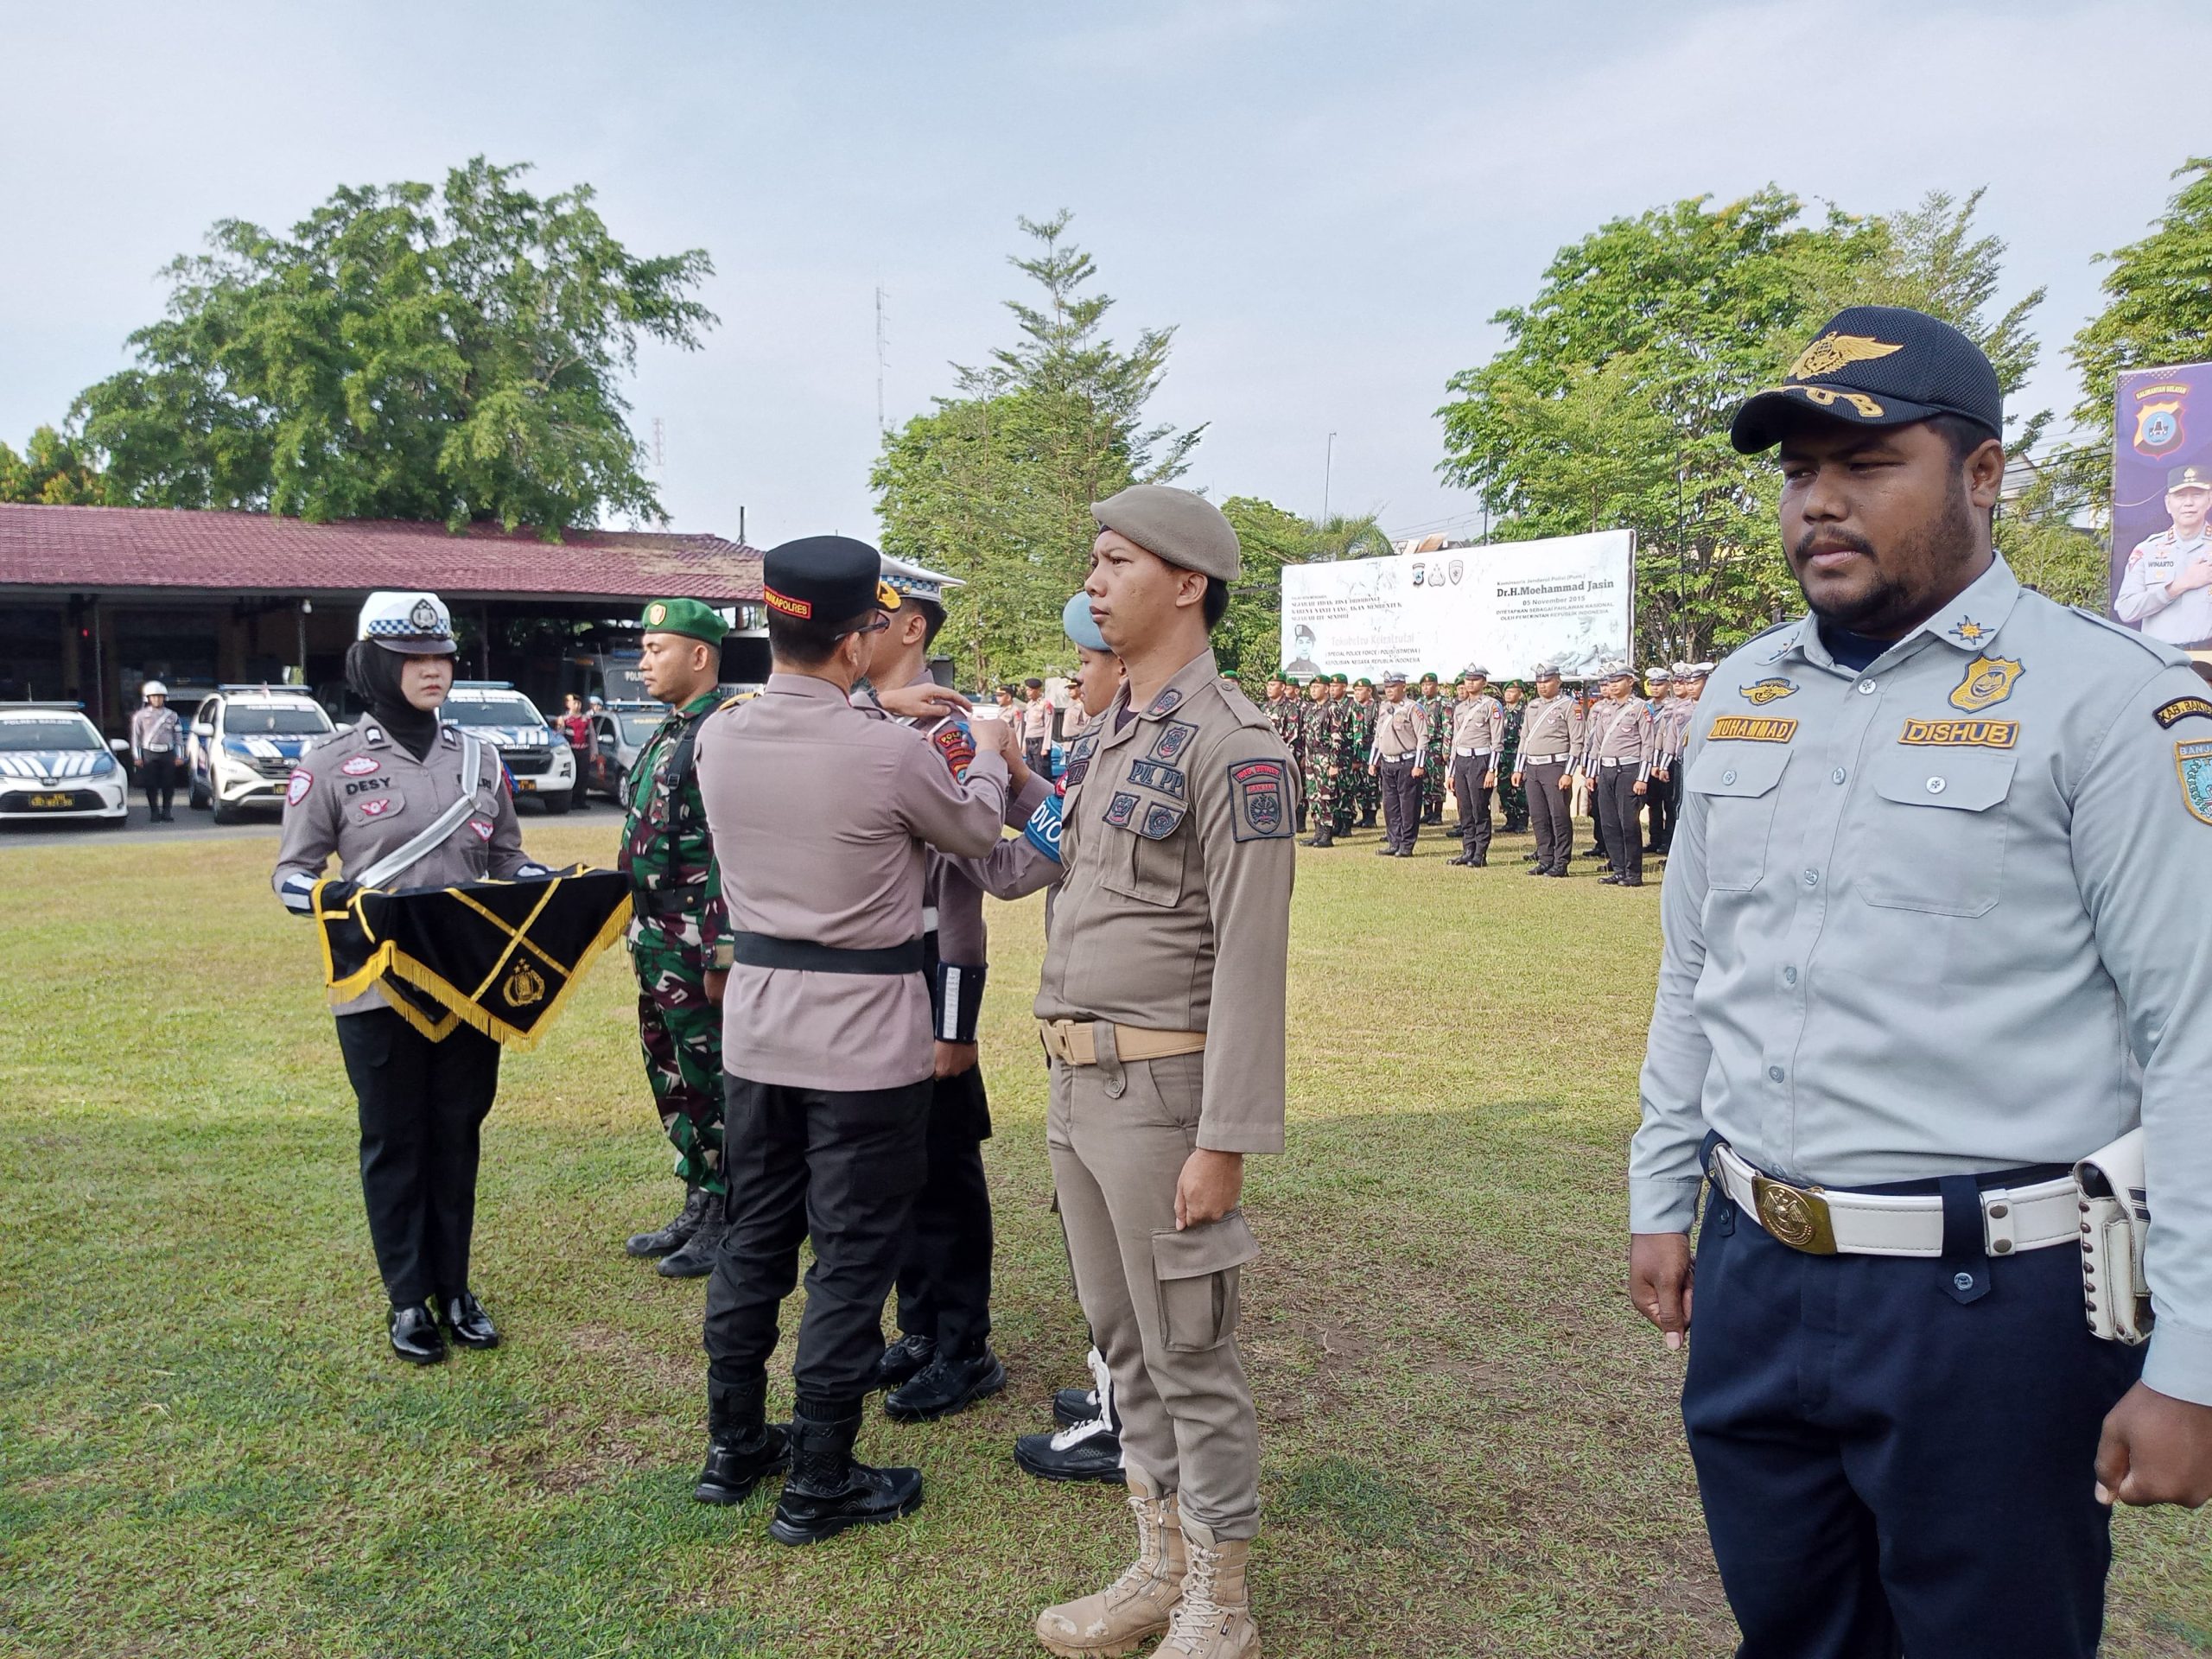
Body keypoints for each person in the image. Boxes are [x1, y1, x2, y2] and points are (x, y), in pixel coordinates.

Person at [1630, 305, 2212, 1659]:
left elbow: (2195, 1034)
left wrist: (2191, 1359)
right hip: (1756, 1271)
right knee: (1792, 1628)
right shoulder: (1743, 694)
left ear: (1986, 472)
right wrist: (1664, 1193)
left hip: (1991, 1309)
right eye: (1796, 472)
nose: (1821, 502)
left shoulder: (2107, 699)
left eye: (1868, 461)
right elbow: (1697, 968)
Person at [689, 537, 1013, 1544]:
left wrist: (875, 713)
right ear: (859, 634)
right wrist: (993, 756)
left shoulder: (721, 737)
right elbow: (972, 837)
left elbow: (814, 748)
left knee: (753, 1242)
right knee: (852, 1258)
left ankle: (734, 1443)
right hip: (865, 1043)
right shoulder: (887, 752)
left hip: (757, 1031)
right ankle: (820, 1475)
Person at [1033, 484, 1294, 1659]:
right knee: (1120, 1341)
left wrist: (1225, 1137)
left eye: (1115, 562)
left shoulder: (1235, 743)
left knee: (1190, 1349)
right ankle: (1158, 1567)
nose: (1094, 582)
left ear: (1187, 584)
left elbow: (1252, 956)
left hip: (1166, 1098)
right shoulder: (1113, 734)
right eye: (1094, 562)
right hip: (1079, 1090)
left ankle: (1219, 1608)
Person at [272, 591, 547, 1363]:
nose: (434, 671)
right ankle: (407, 1300)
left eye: (442, 657)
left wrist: (544, 880)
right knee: (395, 1140)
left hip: (468, 983)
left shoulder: (479, 760)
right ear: (376, 665)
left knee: (457, 1134)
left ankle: (455, 1288)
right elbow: (291, 874)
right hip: (377, 985)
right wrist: (334, 897)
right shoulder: (328, 763)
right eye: (414, 658)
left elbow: (506, 860)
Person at [867, 555, 1052, 1422]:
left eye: (869, 619)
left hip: (930, 970)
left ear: (911, 630)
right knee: (892, 1166)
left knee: (941, 1170)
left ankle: (962, 1344)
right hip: (871, 974)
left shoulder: (946, 739)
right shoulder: (863, 722)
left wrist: (957, 1019)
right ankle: (918, 1324)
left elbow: (990, 879)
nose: (849, 634)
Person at [1011, 592, 1132, 1488]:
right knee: (1099, 1246)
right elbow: (1052, 823)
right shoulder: (1099, 750)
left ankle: (1123, 1415)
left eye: (1086, 662)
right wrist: (1011, 777)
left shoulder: (1125, 756)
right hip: (1083, 1031)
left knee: (1126, 1257)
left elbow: (1018, 865)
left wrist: (965, 789)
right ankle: (1113, 1388)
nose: (1073, 678)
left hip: (1123, 1044)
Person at [618, 600, 736, 1279]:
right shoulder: (670, 733)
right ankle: (699, 1195)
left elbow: (730, 848)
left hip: (696, 942)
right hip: (655, 937)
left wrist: (723, 953)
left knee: (715, 1078)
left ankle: (728, 1212)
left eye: (656, 648)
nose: (644, 661)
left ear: (699, 655)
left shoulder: (720, 732)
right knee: (675, 1075)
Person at [2113, 462, 2212, 646]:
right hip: (2162, 661)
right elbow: (2127, 610)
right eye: (2180, 496)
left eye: (2197, 495)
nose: (2188, 503)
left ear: (2209, 499)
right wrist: (2178, 586)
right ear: (2168, 503)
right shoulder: (2147, 551)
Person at [1510, 664, 1584, 877]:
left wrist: (1568, 773)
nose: (1542, 686)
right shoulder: (1532, 706)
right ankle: (1545, 858)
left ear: (1558, 681)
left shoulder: (1569, 706)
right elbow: (1525, 738)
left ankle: (1561, 861)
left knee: (1558, 815)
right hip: (1532, 767)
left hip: (1555, 766)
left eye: (1547, 681)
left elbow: (1577, 742)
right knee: (1539, 815)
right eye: (1539, 682)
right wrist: (1518, 768)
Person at [1583, 664, 1652, 888]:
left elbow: (1648, 746)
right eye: (1610, 681)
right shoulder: (1604, 709)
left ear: (1630, 682)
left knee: (1628, 824)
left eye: (1618, 680)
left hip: (1629, 771)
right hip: (1607, 771)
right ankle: (1618, 868)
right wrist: (1592, 774)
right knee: (1610, 823)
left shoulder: (1640, 708)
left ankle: (1633, 873)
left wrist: (1642, 778)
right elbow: (1597, 745)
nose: (1612, 685)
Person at [1446, 668, 1504, 868]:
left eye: (1475, 679)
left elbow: (1497, 741)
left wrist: (1492, 770)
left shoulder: (1492, 705)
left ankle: (1480, 852)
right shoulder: (1460, 707)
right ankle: (1468, 849)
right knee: (1465, 808)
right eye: (1468, 679)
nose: (1470, 683)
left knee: (1480, 807)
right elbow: (1455, 740)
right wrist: (1452, 771)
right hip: (1461, 760)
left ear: (1484, 682)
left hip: (1480, 760)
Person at [1367, 672, 1427, 857]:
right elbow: (1379, 736)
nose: (1389, 690)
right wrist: (1372, 761)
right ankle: (1394, 842)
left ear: (1403, 687)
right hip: (1387, 762)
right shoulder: (1384, 708)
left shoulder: (1413, 708)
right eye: (1387, 687)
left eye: (1393, 687)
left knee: (1408, 806)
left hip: (1407, 762)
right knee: (1390, 805)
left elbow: (1423, 738)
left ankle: (1406, 845)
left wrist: (1419, 765)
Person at [1298, 677, 1344, 848]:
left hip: (1325, 757)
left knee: (1326, 795)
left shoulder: (1332, 709)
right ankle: (1317, 832)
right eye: (1312, 687)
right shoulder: (1310, 709)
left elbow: (1336, 737)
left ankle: (1327, 834)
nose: (1313, 690)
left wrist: (1333, 763)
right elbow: (1306, 735)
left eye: (1317, 687)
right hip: (1311, 757)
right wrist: (1305, 756)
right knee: (1313, 795)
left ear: (1326, 689)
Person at [129, 681, 182, 822]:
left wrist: (180, 756)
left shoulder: (173, 715)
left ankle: (167, 811)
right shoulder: (139, 716)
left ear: (165, 698)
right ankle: (154, 812)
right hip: (149, 753)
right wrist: (137, 757)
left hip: (168, 753)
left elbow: (178, 737)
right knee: (150, 784)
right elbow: (136, 738)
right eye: (154, 697)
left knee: (168, 784)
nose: (157, 699)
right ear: (148, 698)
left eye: (160, 696)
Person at [1637, 668, 1676, 855]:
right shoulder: (1645, 707)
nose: (1655, 688)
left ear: (1668, 685)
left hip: (1666, 760)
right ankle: (1655, 839)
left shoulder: (1674, 706)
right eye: (1652, 684)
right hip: (1648, 760)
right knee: (1653, 803)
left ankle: (1668, 842)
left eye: (1659, 684)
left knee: (1669, 803)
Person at [1346, 677, 1379, 830]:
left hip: (1371, 750)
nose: (1358, 693)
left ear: (1369, 691)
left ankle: (1371, 817)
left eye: (1361, 690)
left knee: (1371, 784)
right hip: (1357, 751)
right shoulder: (1353, 708)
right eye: (1356, 690)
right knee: (1359, 784)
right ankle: (1364, 814)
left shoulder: (1376, 707)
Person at [1497, 682, 1529, 836]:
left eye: (1512, 691)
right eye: (1507, 692)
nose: (1508, 694)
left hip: (1518, 755)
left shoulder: (1525, 712)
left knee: (1520, 789)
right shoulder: (1501, 711)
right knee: (1504, 788)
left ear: (1520, 694)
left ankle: (1522, 821)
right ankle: (1510, 819)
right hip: (1503, 755)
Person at [1418, 671, 1450, 824]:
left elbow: (1447, 727)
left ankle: (1437, 814)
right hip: (1422, 747)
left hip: (1436, 745)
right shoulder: (1419, 703)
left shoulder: (1443, 703)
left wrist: (1446, 749)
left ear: (1436, 685)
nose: (1426, 688)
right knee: (1423, 780)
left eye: (1429, 685)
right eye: (1423, 685)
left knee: (1436, 780)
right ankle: (1427, 811)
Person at [557, 693, 597, 808]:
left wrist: (594, 752)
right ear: (568, 705)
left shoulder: (587, 720)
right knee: (573, 776)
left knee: (583, 777)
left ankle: (581, 801)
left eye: (579, 703)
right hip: (571, 752)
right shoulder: (564, 720)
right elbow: (560, 736)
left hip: (584, 751)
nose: (577, 706)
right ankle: (572, 801)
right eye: (574, 703)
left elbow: (592, 736)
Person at [1021, 676, 1057, 779]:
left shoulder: (1045, 705)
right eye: (1027, 689)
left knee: (1041, 772)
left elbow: (1049, 726)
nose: (1028, 692)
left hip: (1039, 742)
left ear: (1038, 690)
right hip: (1029, 741)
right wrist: (1024, 744)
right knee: (1031, 772)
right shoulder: (1029, 705)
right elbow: (1027, 726)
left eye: (1031, 689)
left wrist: (1045, 747)